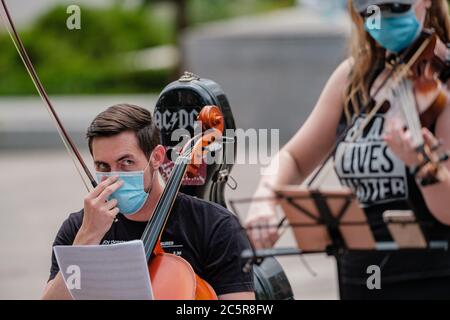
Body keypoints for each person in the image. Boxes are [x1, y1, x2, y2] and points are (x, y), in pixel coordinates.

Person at [245, 0, 450, 299]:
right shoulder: (354, 77)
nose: (383, 15)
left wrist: (421, 165)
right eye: (372, 9)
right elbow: (294, 157)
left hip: (429, 278)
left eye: (396, 5)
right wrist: (264, 199)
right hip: (359, 278)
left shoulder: (442, 77)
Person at [42, 104, 254, 300]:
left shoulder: (215, 226)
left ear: (157, 157)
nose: (114, 176)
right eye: (103, 167)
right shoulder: (79, 227)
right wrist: (86, 240)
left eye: (126, 162)